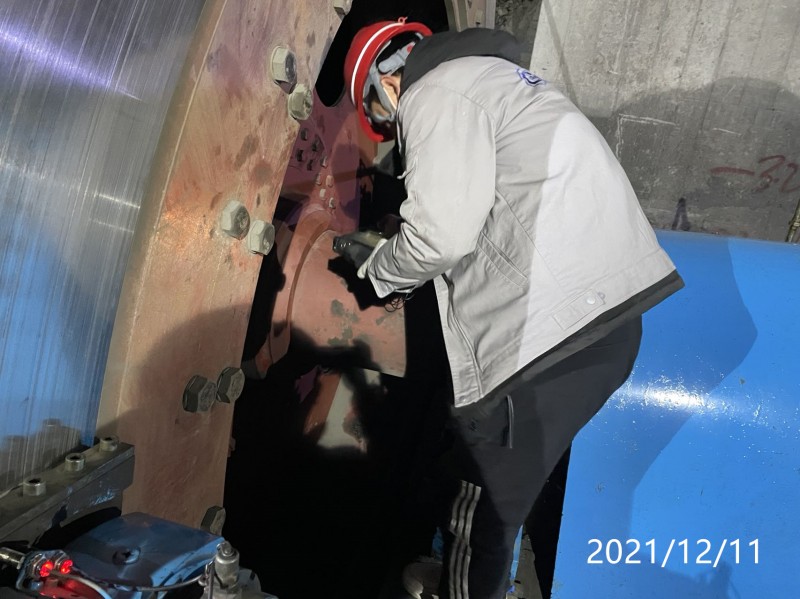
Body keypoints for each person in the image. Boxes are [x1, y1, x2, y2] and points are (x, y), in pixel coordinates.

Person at [342, 18, 684, 599]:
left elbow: (441, 238)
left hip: (548, 337)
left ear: (386, 83)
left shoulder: (434, 91)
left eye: (380, 117)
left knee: (482, 496)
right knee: (506, 485)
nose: (390, 130)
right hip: (606, 319)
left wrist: (379, 269)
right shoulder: (504, 83)